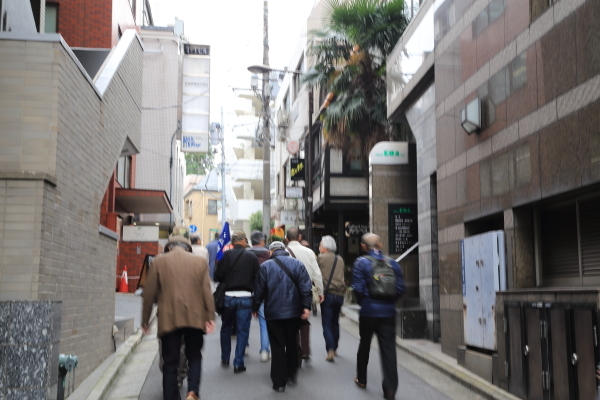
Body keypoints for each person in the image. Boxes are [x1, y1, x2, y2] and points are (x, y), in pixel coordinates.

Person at [141, 235, 215, 400]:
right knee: (194, 356)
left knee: (170, 363)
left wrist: (145, 321)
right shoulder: (200, 263)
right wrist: (210, 316)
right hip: (195, 319)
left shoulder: (158, 262)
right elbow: (206, 292)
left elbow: (148, 295)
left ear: (168, 247)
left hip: (169, 319)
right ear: (187, 248)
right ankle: (192, 393)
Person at [252, 241, 312, 392]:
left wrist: (254, 306)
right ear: (284, 250)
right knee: (292, 342)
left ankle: (279, 382)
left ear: (271, 252)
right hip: (293, 312)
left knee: (277, 345)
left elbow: (259, 290)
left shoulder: (265, 266)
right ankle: (292, 374)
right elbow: (306, 287)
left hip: (273, 313)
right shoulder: (297, 264)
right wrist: (306, 307)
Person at [352, 233, 405, 400]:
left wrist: (365, 302)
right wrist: (390, 301)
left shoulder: (361, 263)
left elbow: (358, 289)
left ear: (363, 246)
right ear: (380, 245)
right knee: (388, 349)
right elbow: (401, 288)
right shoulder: (393, 264)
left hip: (368, 311)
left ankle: (362, 378)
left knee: (365, 343)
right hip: (388, 313)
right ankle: (390, 389)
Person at [214, 230, 260, 373]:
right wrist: (256, 303)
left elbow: (217, 276)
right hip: (245, 297)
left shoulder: (224, 256)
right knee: (242, 331)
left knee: (226, 328)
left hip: (228, 296)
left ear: (233, 242)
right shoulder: (252, 257)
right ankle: (238, 363)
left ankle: (225, 357)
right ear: (244, 241)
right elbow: (257, 279)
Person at [285, 227, 323, 361]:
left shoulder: (282, 252)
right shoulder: (309, 252)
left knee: (291, 322)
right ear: (300, 237)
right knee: (304, 321)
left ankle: (296, 350)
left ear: (286, 239)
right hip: (305, 292)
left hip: (287, 293)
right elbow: (316, 274)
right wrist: (320, 291)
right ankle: (306, 349)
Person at [317, 235, 346, 362]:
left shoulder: (320, 258)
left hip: (327, 294)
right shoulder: (340, 259)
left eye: (321, 245)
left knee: (327, 323)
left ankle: (330, 350)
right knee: (335, 322)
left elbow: (316, 274)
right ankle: (335, 347)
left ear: (325, 247)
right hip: (339, 294)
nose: (319, 247)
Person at [246, 231, 271, 362]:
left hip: (246, 291)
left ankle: (244, 346)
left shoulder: (245, 255)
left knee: (244, 321)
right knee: (264, 322)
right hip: (263, 292)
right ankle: (265, 351)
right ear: (262, 242)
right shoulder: (268, 255)